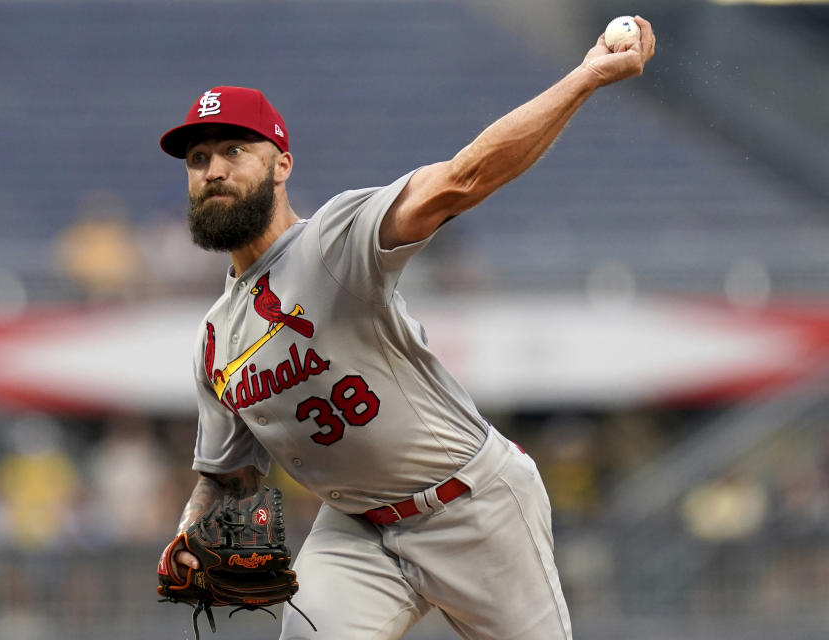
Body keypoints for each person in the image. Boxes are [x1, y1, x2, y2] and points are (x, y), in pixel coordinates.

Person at [158, 18, 655, 640]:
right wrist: (194, 529)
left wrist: (585, 77)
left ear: (281, 164)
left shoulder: (331, 242)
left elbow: (460, 180)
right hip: (355, 529)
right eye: (198, 158)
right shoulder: (215, 337)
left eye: (235, 150)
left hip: (470, 506)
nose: (213, 169)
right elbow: (228, 471)